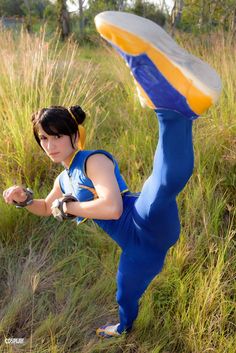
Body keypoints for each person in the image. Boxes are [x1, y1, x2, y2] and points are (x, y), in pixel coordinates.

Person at [3, 11, 221, 338]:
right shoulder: (62, 181)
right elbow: (47, 209)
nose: (50, 145)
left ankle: (175, 111)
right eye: (43, 139)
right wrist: (24, 200)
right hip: (139, 249)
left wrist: (69, 208)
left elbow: (113, 208)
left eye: (57, 136)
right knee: (125, 294)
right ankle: (124, 328)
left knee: (160, 187)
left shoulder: (93, 161)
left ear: (75, 136)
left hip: (142, 220)